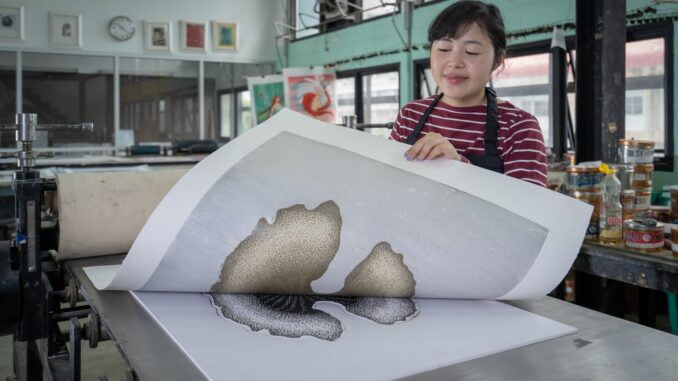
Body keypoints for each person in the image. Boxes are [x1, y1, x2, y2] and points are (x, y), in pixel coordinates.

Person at [390, 0, 547, 187]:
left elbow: (527, 211)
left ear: (497, 61)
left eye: (471, 52)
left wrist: (458, 168)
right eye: (444, 49)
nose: (454, 62)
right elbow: (388, 185)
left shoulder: (519, 128)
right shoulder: (410, 115)